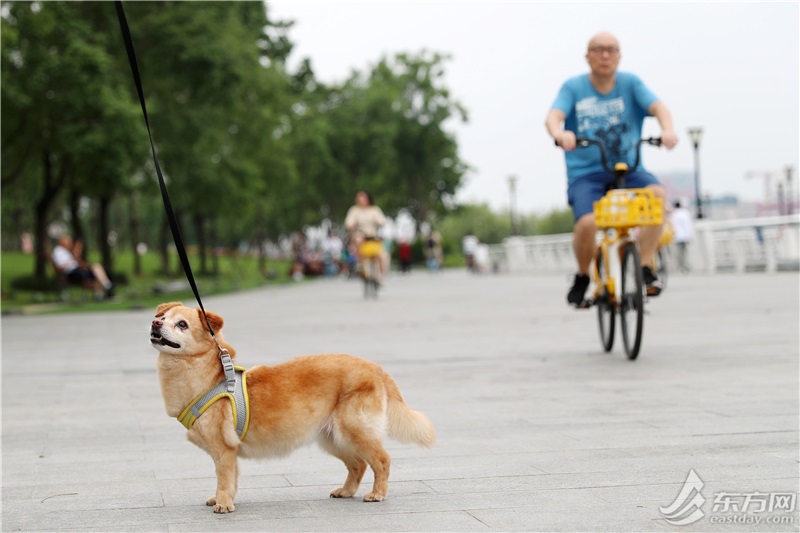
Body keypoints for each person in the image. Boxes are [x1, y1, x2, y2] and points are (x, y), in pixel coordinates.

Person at [545, 31, 678, 307]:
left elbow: (659, 107)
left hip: (629, 168)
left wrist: (667, 130)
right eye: (598, 49)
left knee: (656, 196)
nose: (605, 55)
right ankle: (583, 275)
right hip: (586, 174)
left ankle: (645, 267)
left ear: (619, 56)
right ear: (587, 56)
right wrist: (560, 133)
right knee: (587, 223)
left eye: (611, 49)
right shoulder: (573, 87)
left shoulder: (630, 84)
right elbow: (554, 115)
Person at [344, 191, 387, 279]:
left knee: (382, 255)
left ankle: (380, 275)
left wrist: (378, 222)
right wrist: (352, 224)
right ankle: (359, 261)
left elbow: (382, 221)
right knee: (358, 239)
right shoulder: (354, 210)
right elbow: (348, 223)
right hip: (360, 235)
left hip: (372, 236)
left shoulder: (374, 210)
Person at [669, 200, 694, 272]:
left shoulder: (673, 214)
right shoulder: (685, 213)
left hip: (676, 236)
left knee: (678, 252)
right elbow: (688, 225)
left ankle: (680, 265)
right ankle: (684, 265)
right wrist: (689, 235)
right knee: (684, 252)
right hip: (685, 236)